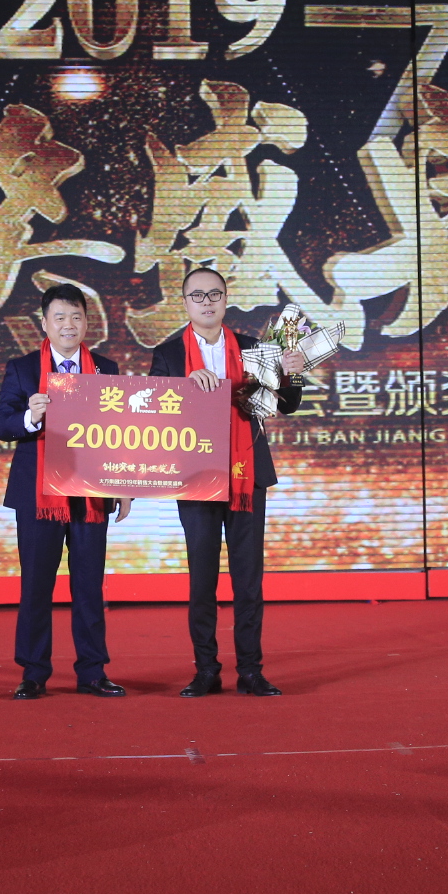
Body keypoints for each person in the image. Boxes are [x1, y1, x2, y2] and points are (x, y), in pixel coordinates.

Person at [148, 267, 306, 697]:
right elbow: (152, 413)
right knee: (202, 580)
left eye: (214, 294)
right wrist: (183, 387)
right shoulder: (168, 355)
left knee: (248, 579)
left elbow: (289, 403)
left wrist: (293, 371)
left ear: (225, 299)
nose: (207, 302)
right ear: (185, 302)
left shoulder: (255, 348)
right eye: (197, 296)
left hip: (246, 473)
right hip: (196, 478)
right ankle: (206, 670)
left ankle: (251, 671)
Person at [0, 284, 131, 699]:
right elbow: (1, 426)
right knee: (37, 585)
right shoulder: (22, 369)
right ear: (45, 323)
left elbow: (122, 433)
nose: (68, 325)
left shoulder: (106, 368)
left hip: (91, 493)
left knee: (89, 586)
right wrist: (30, 417)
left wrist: (125, 487)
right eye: (60, 317)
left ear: (87, 322)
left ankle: (92, 672)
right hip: (39, 496)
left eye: (76, 317)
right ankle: (33, 672)